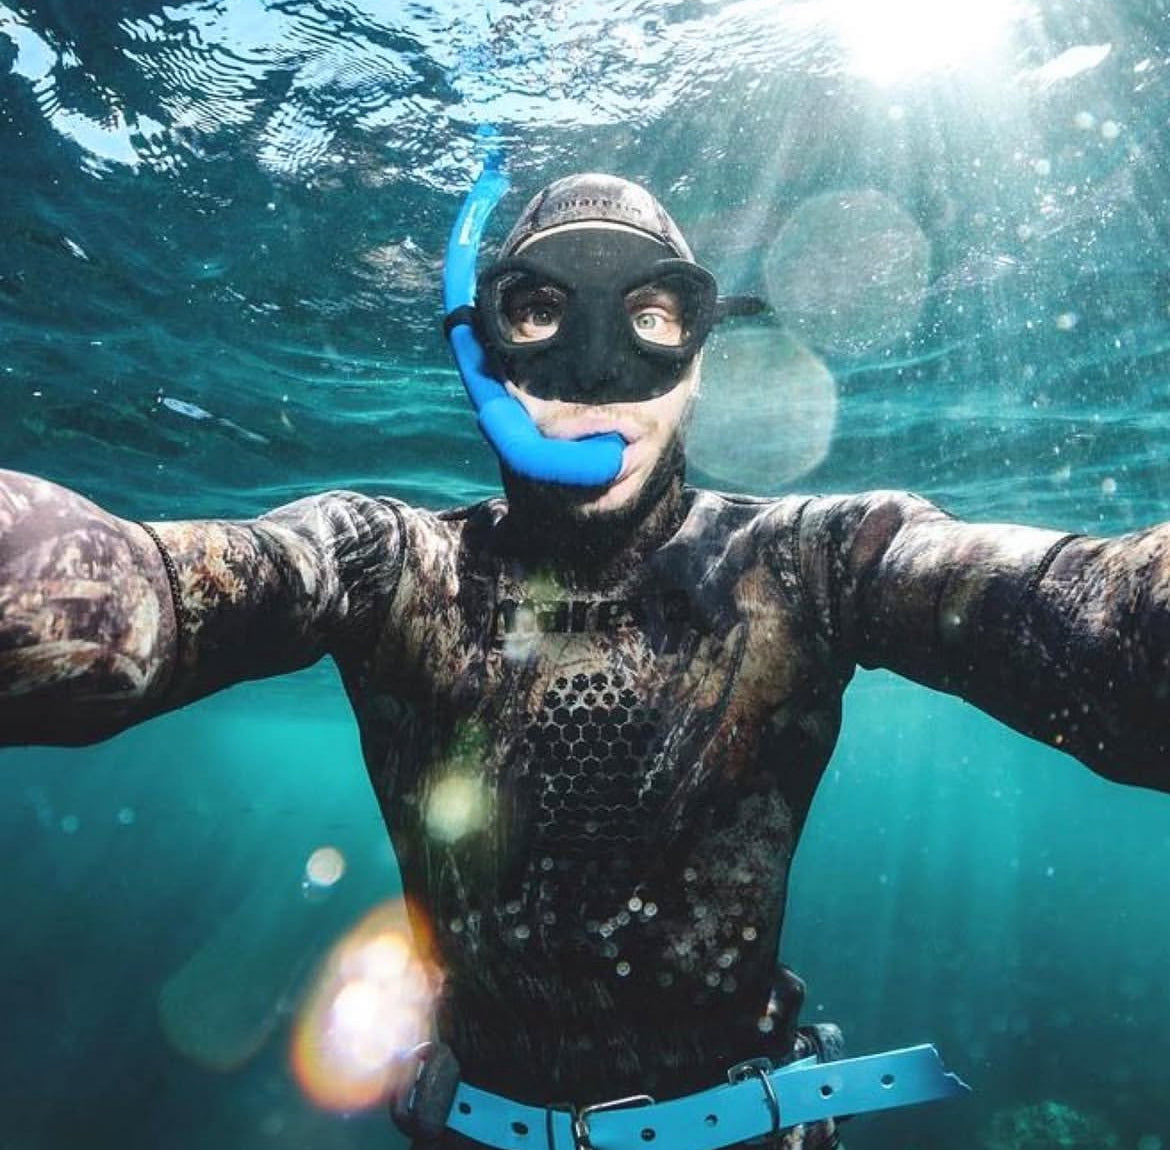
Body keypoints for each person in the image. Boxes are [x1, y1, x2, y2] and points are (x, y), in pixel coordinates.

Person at [1, 173, 1168, 1150]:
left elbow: (1097, 628)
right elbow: (128, 603)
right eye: (542, 311)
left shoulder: (810, 563)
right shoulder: (387, 562)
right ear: (484, 348)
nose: (595, 373)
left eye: (655, 315)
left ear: (701, 355)